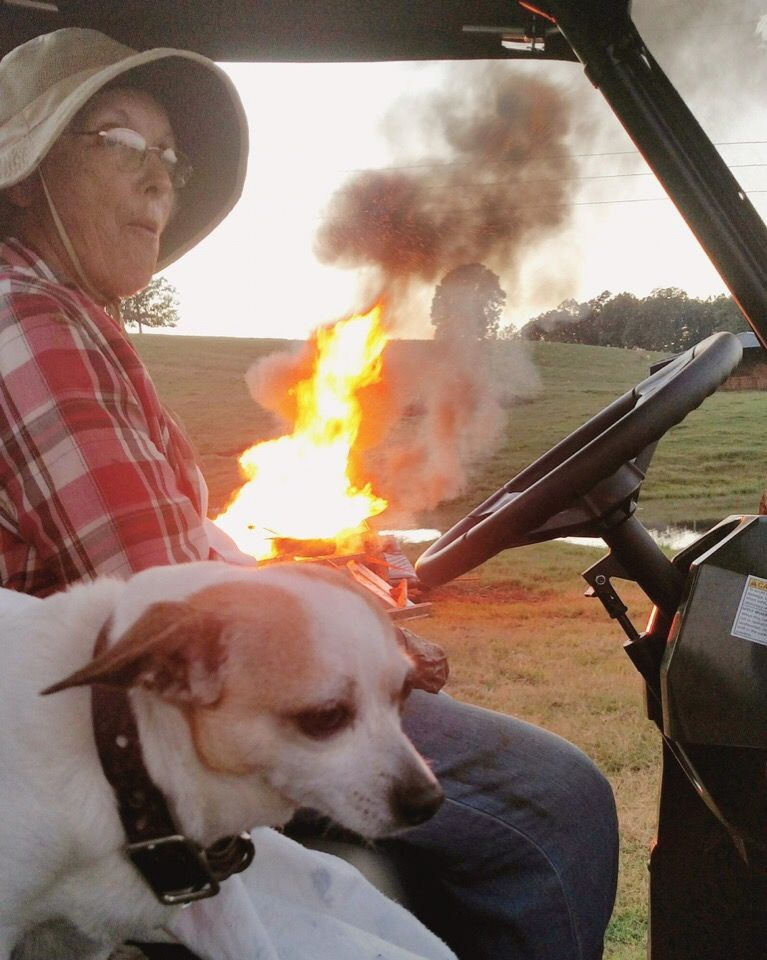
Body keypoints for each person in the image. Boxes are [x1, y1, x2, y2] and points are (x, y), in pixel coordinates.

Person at [0, 27, 619, 960]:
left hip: (129, 734)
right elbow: (159, 598)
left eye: (171, 155)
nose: (161, 178)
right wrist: (343, 633)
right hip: (124, 760)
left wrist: (328, 589)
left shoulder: (71, 319)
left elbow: (178, 550)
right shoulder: (31, 324)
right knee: (556, 802)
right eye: (120, 141)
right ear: (25, 175)